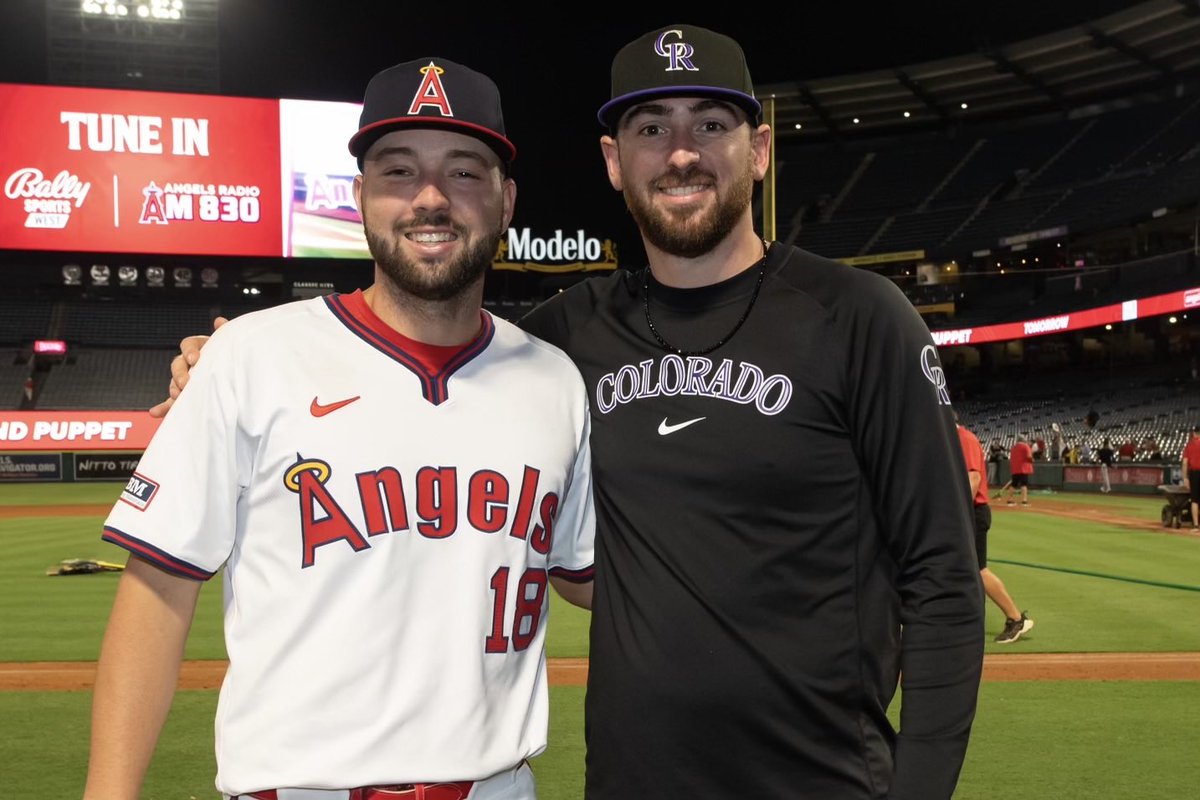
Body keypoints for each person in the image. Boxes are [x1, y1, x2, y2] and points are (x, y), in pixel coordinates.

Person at [159, 25, 985, 800]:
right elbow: (415, 359)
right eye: (651, 128)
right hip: (630, 781)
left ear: (760, 148)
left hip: (824, 779)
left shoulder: (860, 317)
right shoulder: (558, 344)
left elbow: (944, 579)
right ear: (614, 161)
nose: (683, 152)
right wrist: (228, 359)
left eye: (711, 123)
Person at [85, 58, 597, 800]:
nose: (430, 198)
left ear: (505, 199)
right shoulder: (250, 356)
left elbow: (592, 577)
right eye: (398, 171)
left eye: (463, 172)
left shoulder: (554, 379)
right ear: (358, 196)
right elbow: (157, 592)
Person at [955, 413, 1035, 643]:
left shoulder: (964, 438)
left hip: (973, 512)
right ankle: (968, 620)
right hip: (968, 511)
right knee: (963, 570)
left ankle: (1015, 618)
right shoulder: (952, 439)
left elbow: (973, 479)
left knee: (979, 570)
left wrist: (958, 513)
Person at [1004, 434, 1034, 506]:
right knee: (1024, 484)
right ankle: (1024, 500)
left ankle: (1010, 499)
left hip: (1015, 468)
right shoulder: (1025, 446)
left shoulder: (1013, 447)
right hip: (1023, 468)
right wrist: (1032, 460)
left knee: (1014, 484)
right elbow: (1029, 457)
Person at [1183, 426, 1200, 530]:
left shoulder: (1189, 445)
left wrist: (1185, 478)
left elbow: (1185, 463)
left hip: (1194, 473)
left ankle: (1195, 525)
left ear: (1194, 433)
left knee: (1195, 500)